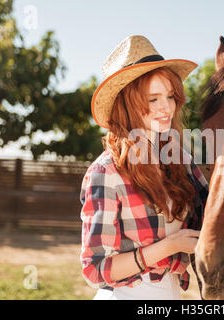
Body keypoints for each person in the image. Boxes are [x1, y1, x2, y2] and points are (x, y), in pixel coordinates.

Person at [79, 35, 209, 300]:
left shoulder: (182, 162)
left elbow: (214, 213)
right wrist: (169, 246)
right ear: (127, 104)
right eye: (153, 99)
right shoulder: (107, 172)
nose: (166, 108)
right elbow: (95, 268)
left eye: (171, 96)